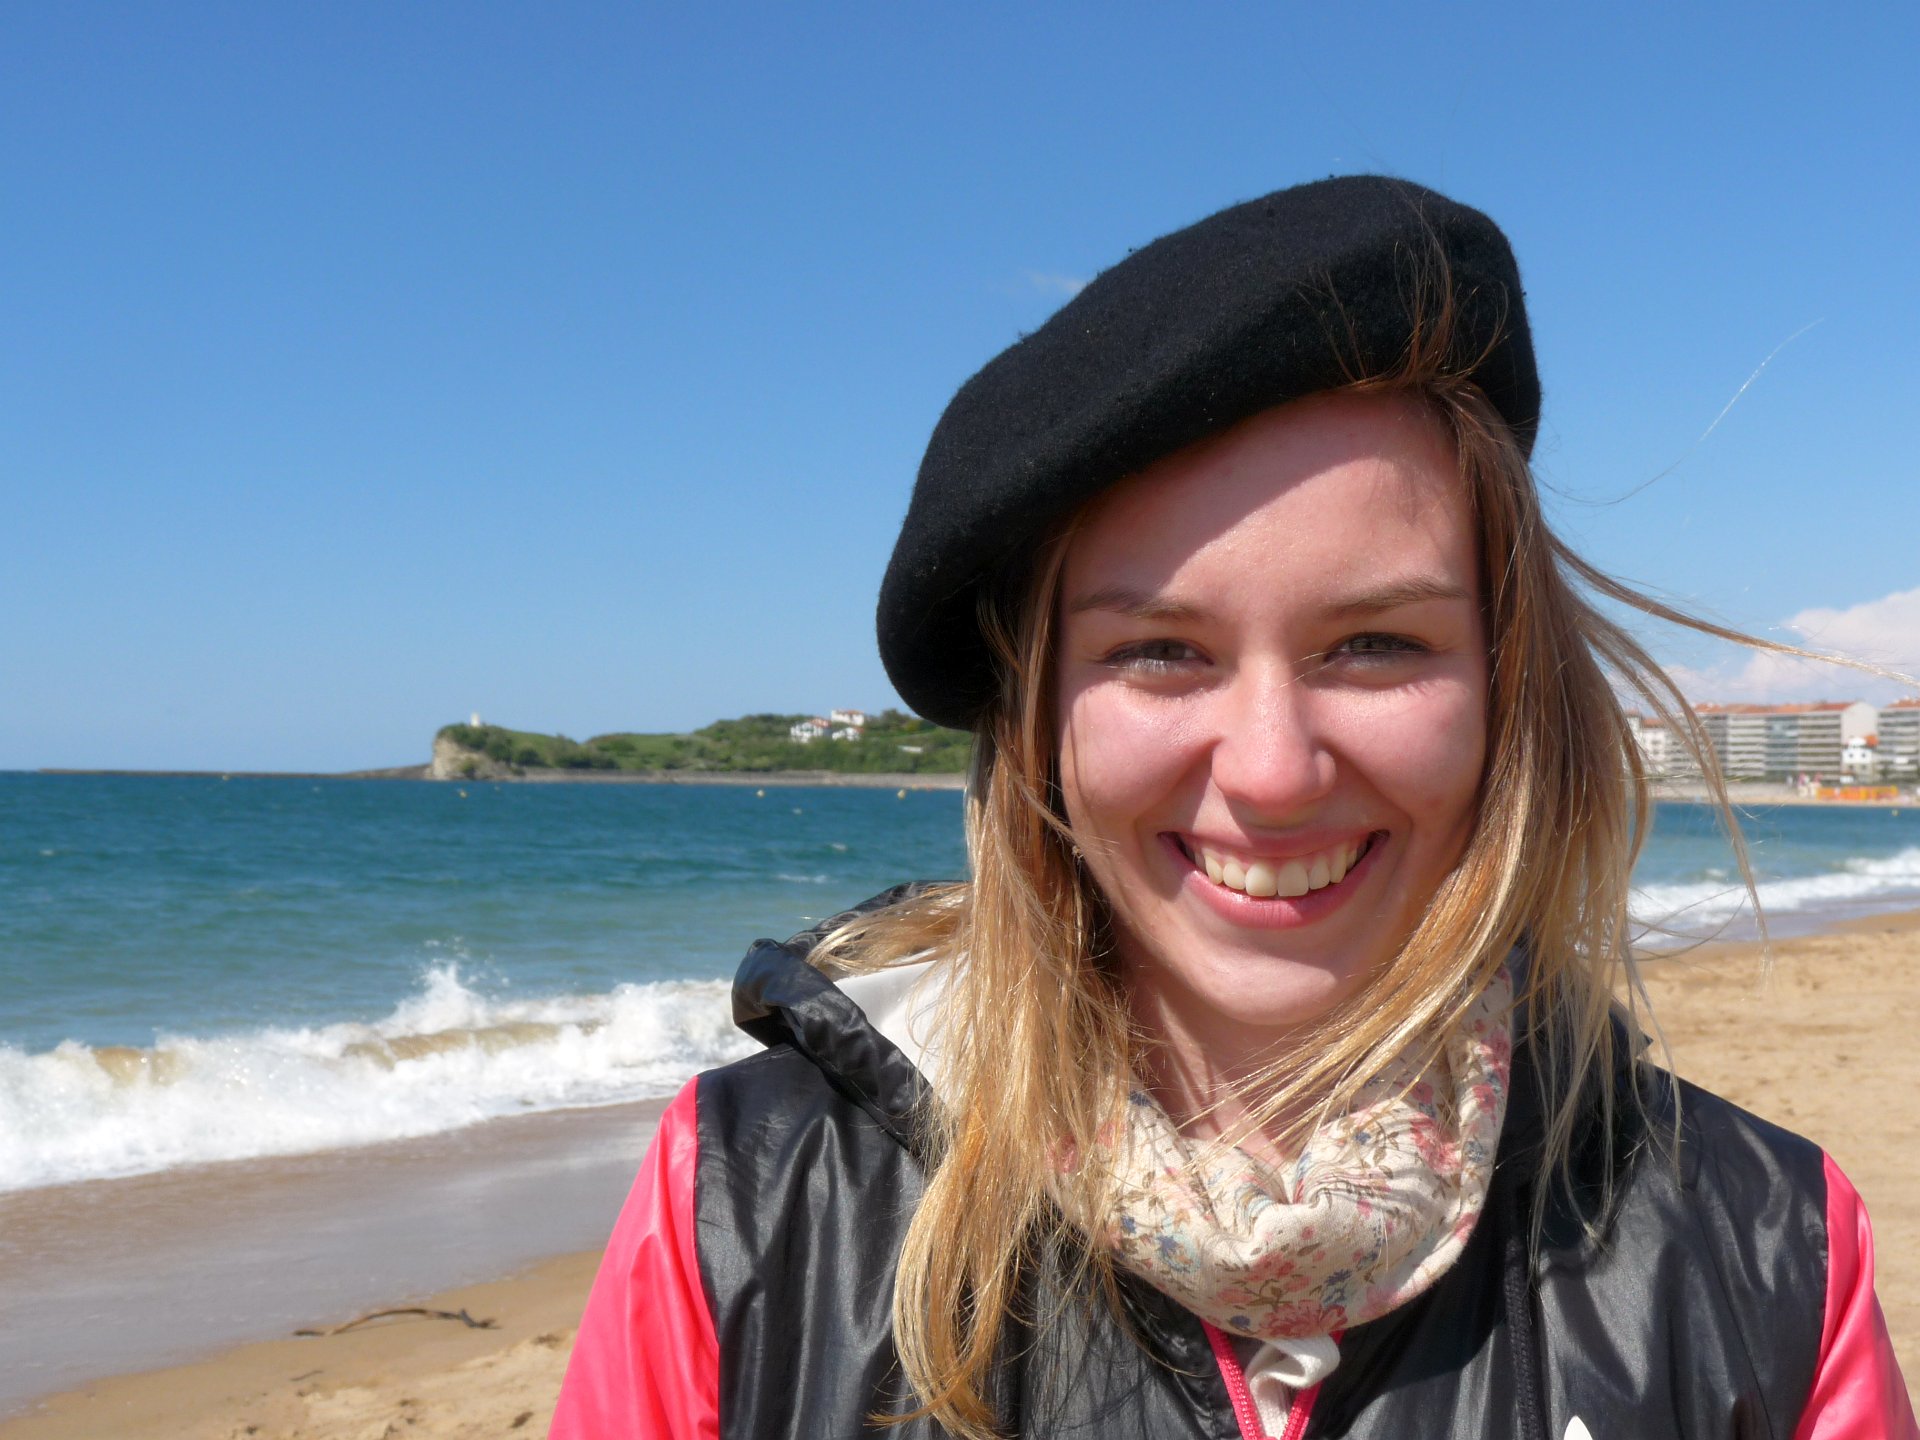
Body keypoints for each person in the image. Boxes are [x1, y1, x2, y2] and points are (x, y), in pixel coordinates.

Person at [551, 176, 1917, 1439]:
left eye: (1374, 644)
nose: (1271, 771)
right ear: (1038, 723)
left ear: (1509, 689)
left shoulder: (1769, 1254)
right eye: (1160, 651)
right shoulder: (744, 1208)